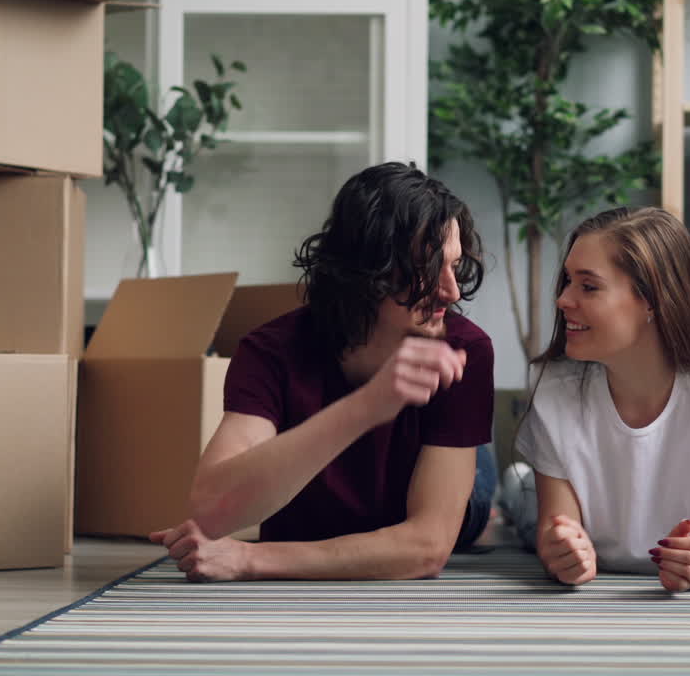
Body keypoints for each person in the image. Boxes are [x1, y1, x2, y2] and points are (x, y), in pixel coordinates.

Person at [150, 161, 496, 581]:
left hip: (445, 476)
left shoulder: (465, 350)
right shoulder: (270, 351)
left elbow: (426, 549)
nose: (452, 291)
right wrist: (368, 405)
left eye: (454, 266)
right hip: (331, 502)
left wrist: (248, 559)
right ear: (370, 269)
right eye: (428, 268)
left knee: (476, 501)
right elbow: (210, 510)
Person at [501, 206, 690, 592]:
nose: (563, 299)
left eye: (588, 286)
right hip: (536, 507)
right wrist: (563, 554)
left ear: (651, 299)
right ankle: (516, 484)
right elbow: (557, 535)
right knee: (525, 508)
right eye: (567, 281)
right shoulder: (555, 388)